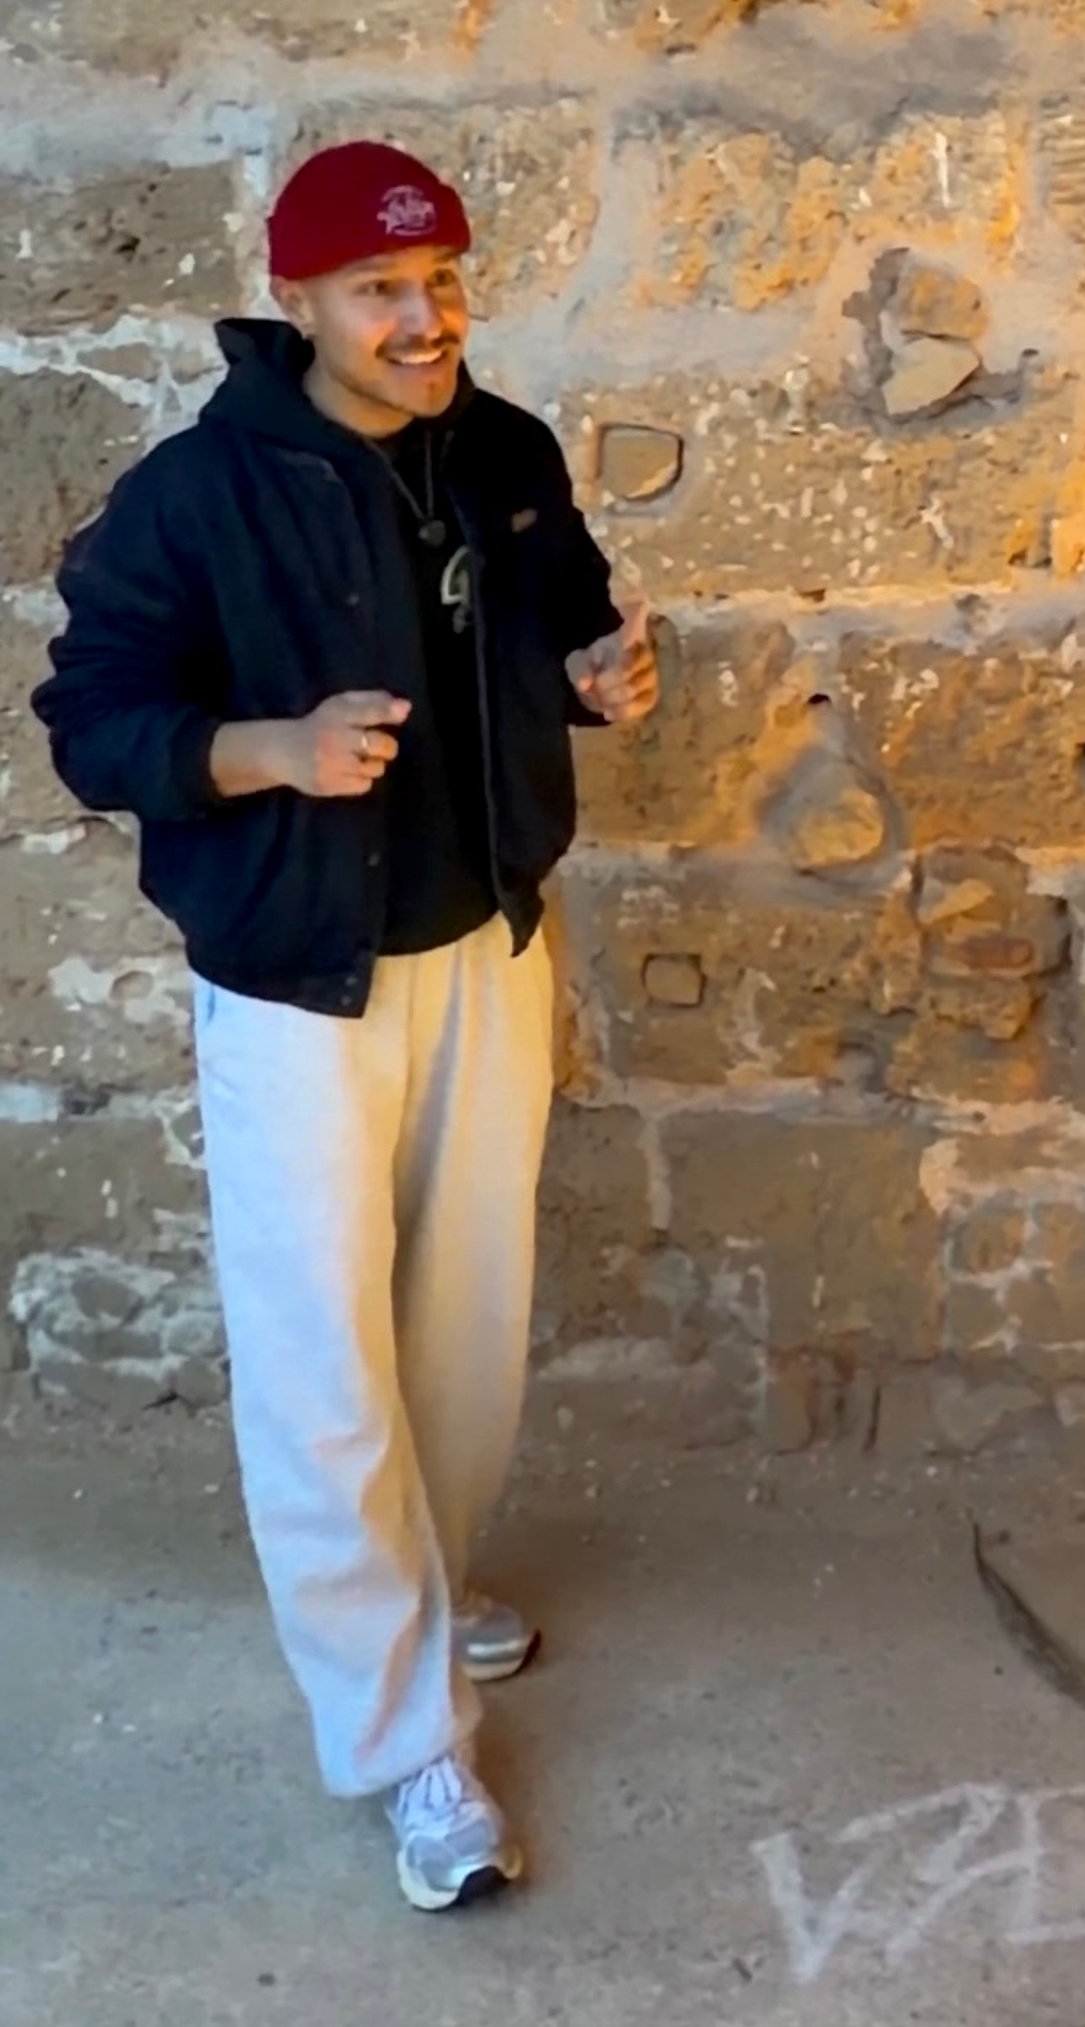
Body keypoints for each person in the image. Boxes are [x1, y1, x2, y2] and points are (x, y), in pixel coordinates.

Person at [34, 142, 661, 1912]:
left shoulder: (508, 454)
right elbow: (92, 720)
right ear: (298, 299)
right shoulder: (197, 496)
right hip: (295, 980)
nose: (422, 317)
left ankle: (431, 1582)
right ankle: (409, 1747)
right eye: (382, 290)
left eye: (444, 279)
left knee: (464, 1328)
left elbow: (558, 634)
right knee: (324, 1364)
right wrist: (269, 752)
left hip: (483, 946)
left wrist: (602, 676)